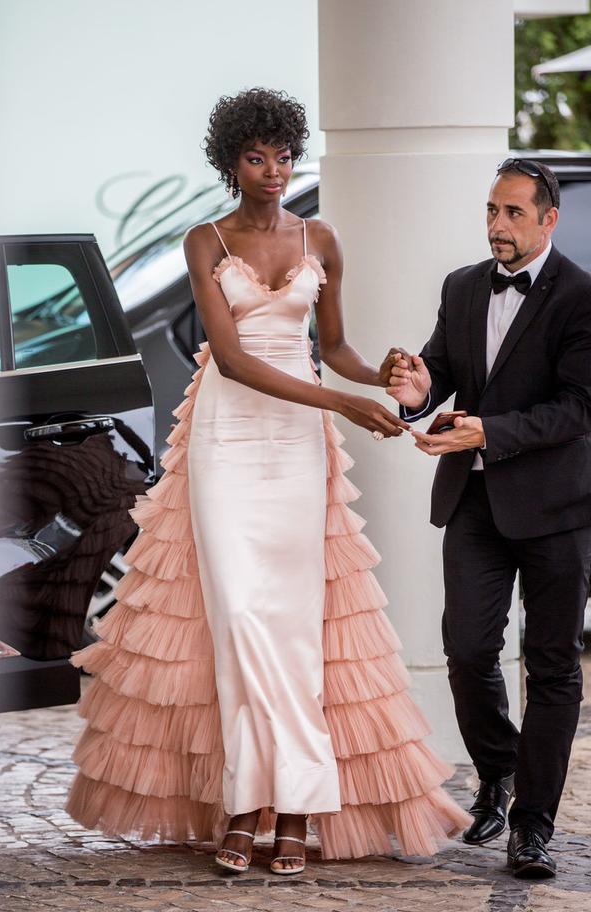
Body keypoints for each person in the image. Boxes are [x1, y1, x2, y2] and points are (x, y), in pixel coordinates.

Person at [64, 87, 470, 875]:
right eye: (257, 157)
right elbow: (234, 359)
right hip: (227, 439)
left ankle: (293, 808)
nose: (275, 171)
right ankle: (248, 802)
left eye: (284, 155)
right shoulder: (205, 241)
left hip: (297, 451)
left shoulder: (323, 238)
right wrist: (341, 402)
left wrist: (384, 375)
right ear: (231, 163)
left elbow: (335, 347)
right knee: (241, 620)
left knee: (292, 627)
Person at [384, 158, 591, 879]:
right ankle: (498, 773)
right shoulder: (463, 285)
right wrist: (417, 389)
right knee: (468, 650)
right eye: (492, 211)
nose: (497, 226)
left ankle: (532, 825)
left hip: (559, 508)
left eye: (513, 214)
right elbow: (439, 370)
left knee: (553, 667)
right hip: (473, 501)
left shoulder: (582, 297)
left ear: (548, 220)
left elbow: (580, 408)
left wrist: (489, 432)